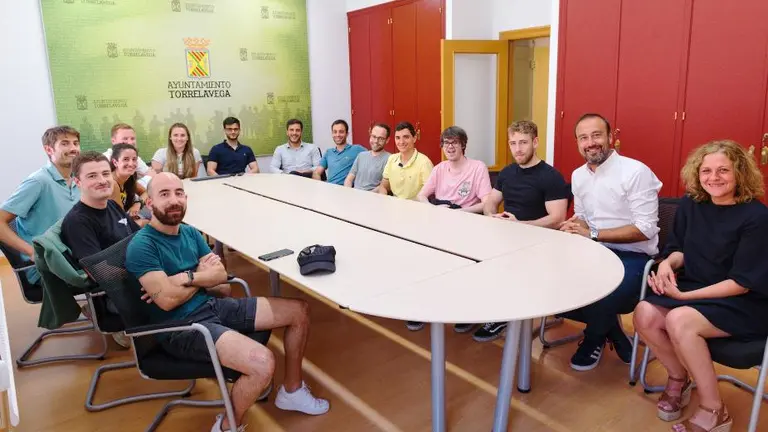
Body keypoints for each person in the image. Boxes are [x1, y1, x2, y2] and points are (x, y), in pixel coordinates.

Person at [126, 173, 329, 431]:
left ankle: (291, 391)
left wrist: (187, 277)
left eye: (179, 193)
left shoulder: (189, 232)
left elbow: (221, 276)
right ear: (150, 202)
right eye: (164, 194)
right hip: (183, 327)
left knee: (298, 311)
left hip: (211, 305)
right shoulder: (142, 246)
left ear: (186, 198)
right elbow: (167, 301)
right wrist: (202, 277)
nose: (174, 200)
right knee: (262, 363)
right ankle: (228, 425)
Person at [633, 140, 768, 432]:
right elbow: (679, 248)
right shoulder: (692, 204)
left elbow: (742, 283)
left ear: (740, 173)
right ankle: (679, 378)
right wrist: (668, 264)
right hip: (697, 290)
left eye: (723, 170)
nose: (713, 177)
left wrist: (684, 295)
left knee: (679, 319)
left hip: (744, 302)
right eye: (706, 170)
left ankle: (714, 410)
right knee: (644, 312)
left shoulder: (757, 217)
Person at [559, 113, 662, 371]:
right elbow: (582, 217)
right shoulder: (578, 175)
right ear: (577, 143)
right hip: (594, 250)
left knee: (605, 295)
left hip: (634, 255)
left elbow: (645, 229)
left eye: (596, 135)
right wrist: (573, 225)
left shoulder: (635, 171)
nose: (590, 142)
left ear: (610, 137)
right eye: (583, 137)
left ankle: (594, 337)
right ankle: (614, 332)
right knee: (553, 284)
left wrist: (593, 234)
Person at [473, 120, 570, 342]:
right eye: (513, 143)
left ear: (535, 142)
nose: (518, 149)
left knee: (501, 264)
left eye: (523, 143)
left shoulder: (551, 176)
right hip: (507, 235)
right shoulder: (507, 173)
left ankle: (502, 314)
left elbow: (557, 219)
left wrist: (520, 226)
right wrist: (491, 217)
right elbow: (490, 202)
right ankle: (486, 308)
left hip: (538, 241)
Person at [0, 126, 81, 284]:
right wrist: (31, 252)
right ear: (49, 149)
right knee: (113, 274)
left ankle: (95, 307)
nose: (73, 148)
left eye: (76, 143)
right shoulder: (39, 181)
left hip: (74, 258)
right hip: (46, 266)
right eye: (65, 143)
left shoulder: (78, 180)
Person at [416, 126, 492, 213]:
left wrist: (458, 212)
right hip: (441, 216)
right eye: (446, 143)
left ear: (463, 145)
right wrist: (433, 208)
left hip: (467, 217)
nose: (450, 146)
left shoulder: (478, 167)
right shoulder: (439, 169)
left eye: (455, 142)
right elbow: (421, 196)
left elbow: (487, 203)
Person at [376, 121, 434, 199]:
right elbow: (383, 185)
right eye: (398, 138)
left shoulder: (424, 163)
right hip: (394, 206)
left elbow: (431, 194)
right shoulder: (392, 159)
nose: (401, 142)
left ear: (414, 138)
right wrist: (384, 198)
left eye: (406, 137)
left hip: (416, 207)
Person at [312, 120, 365, 185]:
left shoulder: (357, 149)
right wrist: (321, 188)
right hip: (330, 189)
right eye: (335, 132)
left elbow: (372, 156)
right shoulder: (329, 152)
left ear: (347, 134)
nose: (337, 135)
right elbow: (317, 173)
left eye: (341, 132)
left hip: (347, 189)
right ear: (332, 134)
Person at [343, 123, 391, 191]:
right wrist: (349, 192)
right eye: (374, 136)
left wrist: (366, 196)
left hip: (373, 198)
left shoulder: (390, 159)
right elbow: (349, 179)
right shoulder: (361, 155)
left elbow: (385, 186)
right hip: (354, 196)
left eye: (381, 138)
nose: (376, 141)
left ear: (387, 140)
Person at [109, 144, 147, 223]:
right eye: (126, 159)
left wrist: (137, 203)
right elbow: (121, 219)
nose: (131, 163)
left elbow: (146, 192)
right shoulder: (112, 183)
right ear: (115, 162)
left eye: (134, 159)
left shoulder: (129, 178)